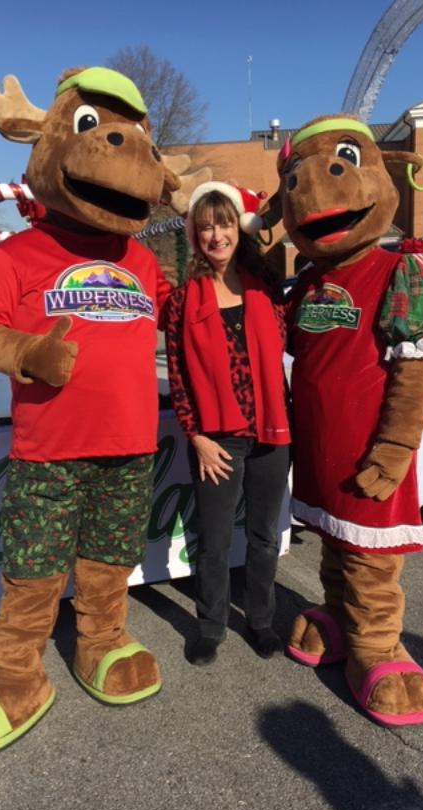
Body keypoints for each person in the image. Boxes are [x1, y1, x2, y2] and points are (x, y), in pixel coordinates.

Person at [165, 182, 291, 665]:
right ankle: (211, 626)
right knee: (215, 541)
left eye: (222, 224)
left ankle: (261, 621)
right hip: (217, 440)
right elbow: (178, 375)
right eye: (205, 228)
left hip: (272, 433)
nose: (215, 235)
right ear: (194, 237)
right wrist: (195, 436)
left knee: (264, 537)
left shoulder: (267, 286)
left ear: (238, 227)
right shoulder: (183, 301)